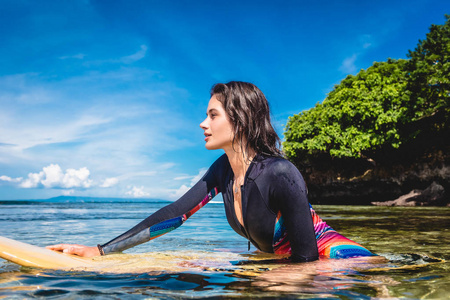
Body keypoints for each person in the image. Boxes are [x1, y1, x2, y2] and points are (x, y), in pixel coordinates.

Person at [47, 81, 374, 262]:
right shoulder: (223, 171)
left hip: (344, 265)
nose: (203, 124)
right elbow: (176, 214)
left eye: (213, 115)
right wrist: (100, 250)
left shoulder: (280, 173)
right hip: (289, 264)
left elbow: (308, 260)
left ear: (241, 118)